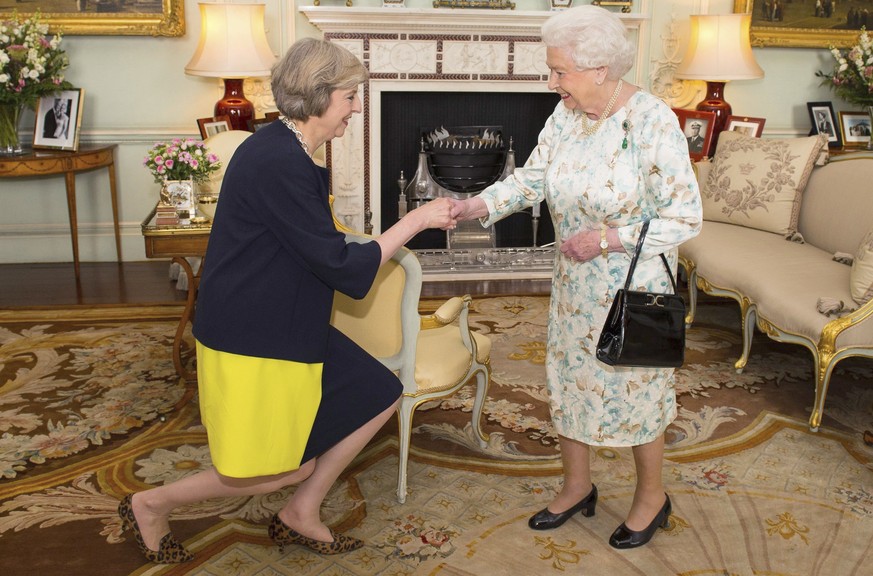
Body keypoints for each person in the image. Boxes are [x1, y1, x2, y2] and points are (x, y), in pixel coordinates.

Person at [117, 38, 457, 564]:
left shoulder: (288, 147)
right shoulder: (279, 160)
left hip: (288, 315)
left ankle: (301, 511)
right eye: (349, 96)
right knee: (281, 466)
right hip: (254, 333)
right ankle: (150, 503)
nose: (357, 106)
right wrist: (415, 220)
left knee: (378, 390)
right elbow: (343, 269)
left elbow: (316, 243)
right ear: (319, 97)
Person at [449, 5, 701, 550]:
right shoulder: (564, 117)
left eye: (560, 71)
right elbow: (532, 179)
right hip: (575, 285)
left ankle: (651, 497)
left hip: (634, 286)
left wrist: (605, 239)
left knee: (636, 387)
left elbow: (683, 216)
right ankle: (577, 485)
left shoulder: (653, 121)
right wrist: (475, 206)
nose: (552, 82)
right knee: (570, 380)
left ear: (599, 71)